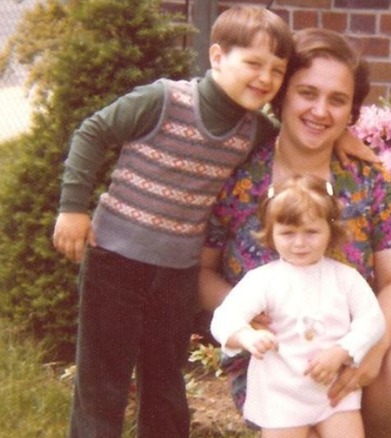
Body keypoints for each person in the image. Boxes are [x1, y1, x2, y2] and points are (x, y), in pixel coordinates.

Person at [51, 6, 371, 437]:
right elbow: (92, 132)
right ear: (217, 56)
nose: (265, 78)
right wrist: (73, 208)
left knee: (165, 380)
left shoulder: (252, 127)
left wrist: (342, 134)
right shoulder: (162, 100)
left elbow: (296, 130)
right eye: (253, 63)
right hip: (116, 260)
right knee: (102, 382)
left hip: (177, 272)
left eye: (277, 70)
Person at [199, 28, 391, 438]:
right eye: (307, 93)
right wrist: (244, 316)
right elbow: (200, 272)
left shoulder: (368, 181)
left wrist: (371, 352)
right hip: (273, 353)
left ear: (351, 112)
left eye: (337, 100)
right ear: (282, 95)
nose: (321, 111)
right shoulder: (238, 176)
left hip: (352, 337)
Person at [211, 174, 386, 437]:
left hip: (333, 391)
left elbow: (372, 320)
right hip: (282, 393)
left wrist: (343, 351)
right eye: (288, 233)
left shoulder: (345, 278)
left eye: (311, 232)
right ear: (271, 234)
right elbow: (224, 319)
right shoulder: (263, 280)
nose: (300, 243)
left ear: (330, 230)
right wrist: (246, 336)